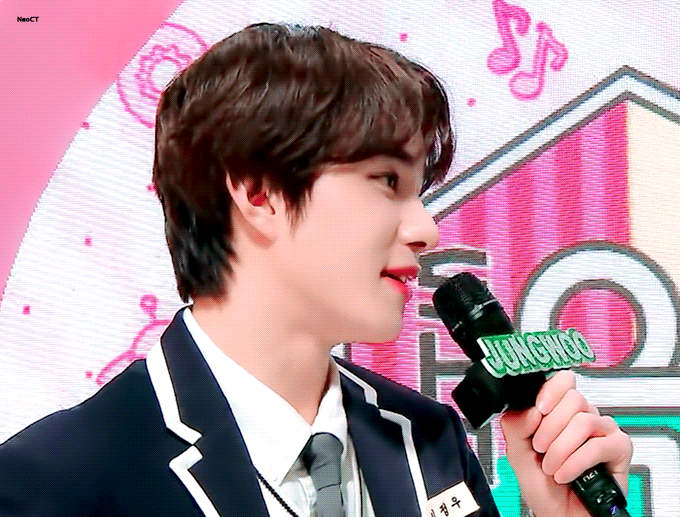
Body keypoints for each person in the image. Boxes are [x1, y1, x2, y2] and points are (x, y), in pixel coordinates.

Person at [0, 23, 632, 517]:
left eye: (419, 191)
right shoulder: (56, 480)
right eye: (387, 181)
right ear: (259, 193)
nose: (426, 229)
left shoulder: (431, 444)